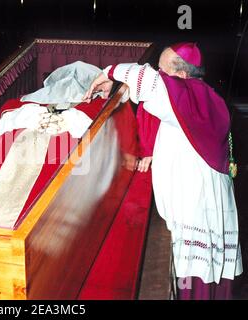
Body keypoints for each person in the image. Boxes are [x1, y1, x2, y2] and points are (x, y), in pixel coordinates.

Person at [83, 43, 243, 300]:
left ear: (181, 76)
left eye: (162, 69)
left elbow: (144, 79)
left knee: (196, 281)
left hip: (197, 207)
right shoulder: (197, 96)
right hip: (199, 199)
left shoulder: (189, 97)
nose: (157, 72)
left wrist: (108, 72)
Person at [0, 61, 138, 228]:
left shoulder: (98, 105)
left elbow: (121, 100)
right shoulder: (32, 101)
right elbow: (10, 111)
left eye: (104, 91)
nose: (71, 82)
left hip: (60, 139)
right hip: (27, 133)